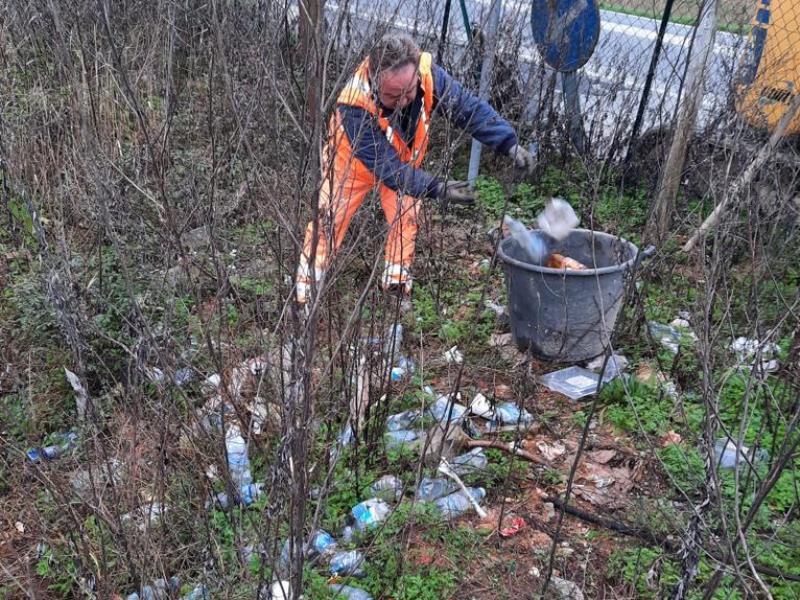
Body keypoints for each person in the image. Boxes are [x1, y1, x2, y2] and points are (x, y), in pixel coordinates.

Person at [296, 33, 535, 304]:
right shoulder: (353, 104)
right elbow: (387, 167)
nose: (404, 101)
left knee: (405, 218)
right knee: (329, 218)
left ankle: (396, 290)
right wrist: (435, 188)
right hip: (351, 161)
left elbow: (466, 109)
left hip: (405, 160)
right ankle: (305, 292)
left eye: (409, 91)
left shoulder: (427, 73)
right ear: (374, 82)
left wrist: (508, 143)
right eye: (393, 96)